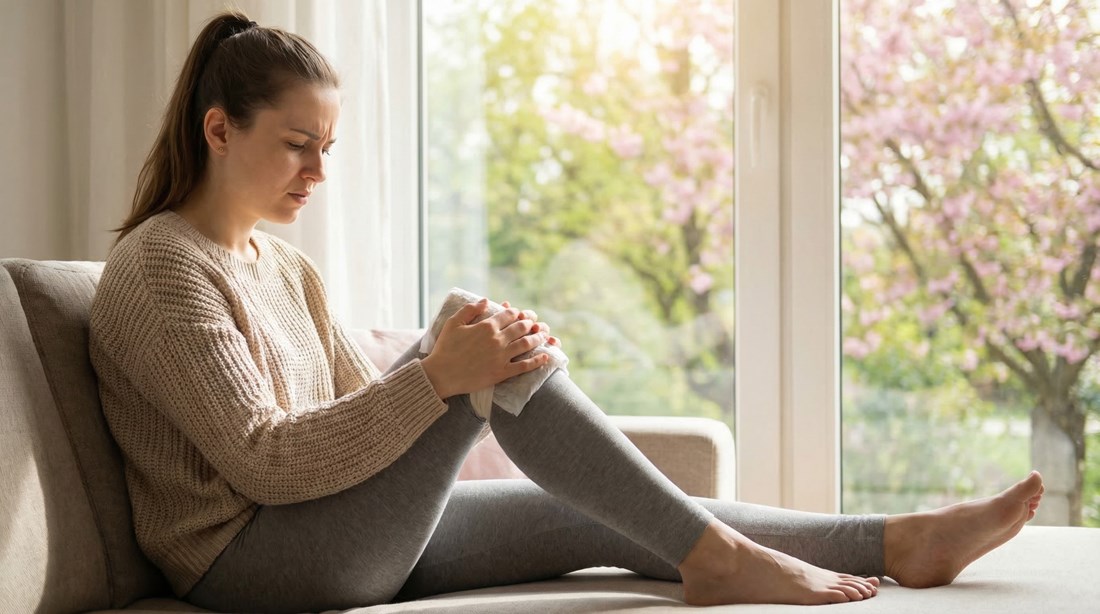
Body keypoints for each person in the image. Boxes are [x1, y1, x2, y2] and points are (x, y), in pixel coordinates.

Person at [89, 11, 1045, 614]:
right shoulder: (160, 267)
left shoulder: (283, 267)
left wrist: (469, 363)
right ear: (219, 130)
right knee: (466, 332)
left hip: (334, 529)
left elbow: (351, 407)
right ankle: (719, 559)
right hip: (251, 566)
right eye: (299, 144)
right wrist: (447, 373)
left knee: (590, 506)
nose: (318, 172)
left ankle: (899, 541)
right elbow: (266, 460)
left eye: (328, 148)